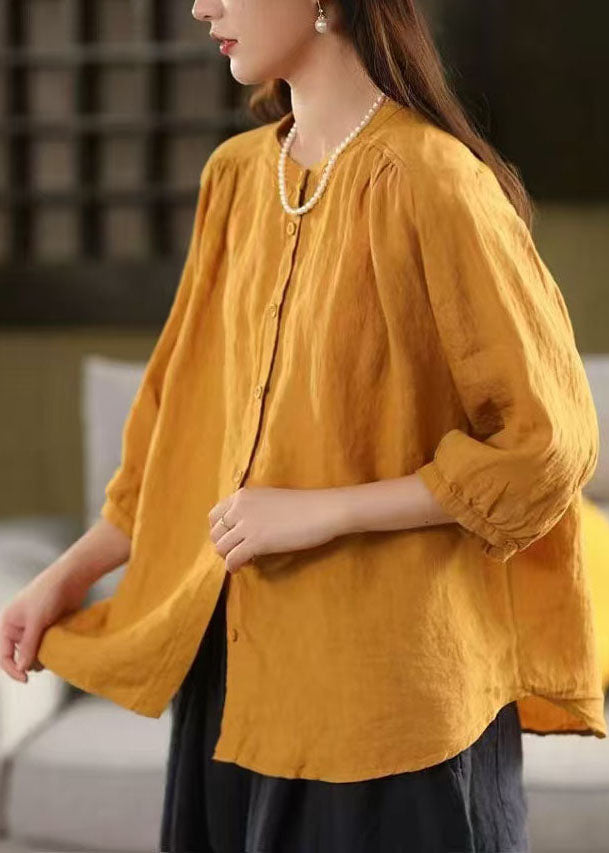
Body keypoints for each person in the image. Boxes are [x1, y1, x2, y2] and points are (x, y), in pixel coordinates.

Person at [2, 1, 605, 852]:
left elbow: (547, 445)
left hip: (388, 697)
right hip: (234, 678)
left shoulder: (435, 181)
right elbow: (180, 425)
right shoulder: (237, 177)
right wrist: (68, 572)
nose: (201, 4)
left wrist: (326, 509)